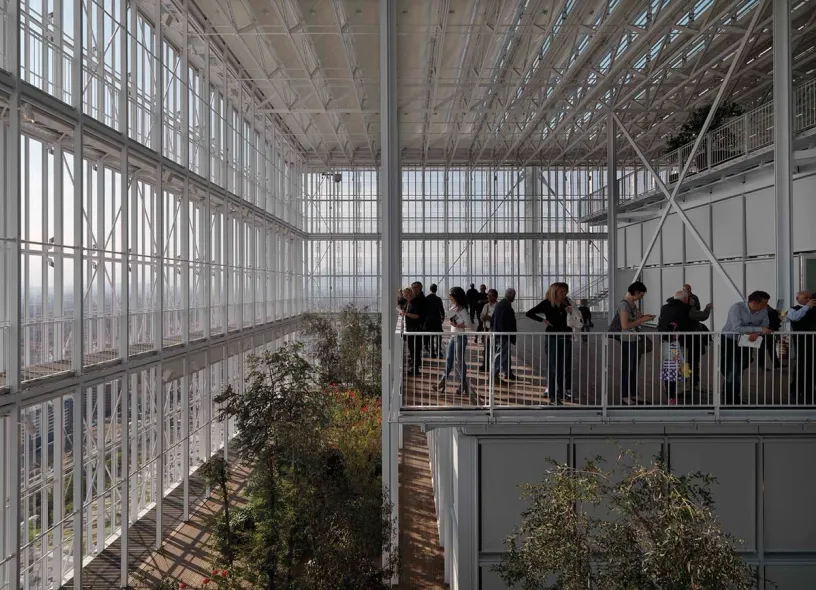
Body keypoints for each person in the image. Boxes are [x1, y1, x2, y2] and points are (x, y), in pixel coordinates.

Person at [720, 291, 771, 404]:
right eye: (763, 304)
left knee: (741, 367)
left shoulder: (763, 310)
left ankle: (733, 393)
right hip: (730, 340)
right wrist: (757, 330)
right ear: (753, 302)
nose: (765, 306)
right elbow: (737, 328)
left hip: (747, 340)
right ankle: (730, 398)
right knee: (733, 368)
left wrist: (756, 333)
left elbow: (765, 326)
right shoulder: (736, 308)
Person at [608, 281, 654, 405]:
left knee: (634, 368)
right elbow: (625, 325)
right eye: (641, 294)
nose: (642, 297)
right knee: (628, 368)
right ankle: (625, 395)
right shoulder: (624, 305)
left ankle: (633, 393)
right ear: (636, 292)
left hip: (633, 339)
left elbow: (632, 320)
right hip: (627, 339)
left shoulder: (631, 304)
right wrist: (643, 320)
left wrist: (642, 317)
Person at [527, 283, 574, 404]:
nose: (564, 294)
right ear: (555, 292)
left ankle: (561, 392)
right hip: (553, 337)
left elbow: (573, 317)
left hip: (566, 337)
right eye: (562, 292)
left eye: (565, 292)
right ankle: (553, 395)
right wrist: (543, 320)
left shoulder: (567, 302)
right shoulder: (547, 303)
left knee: (563, 366)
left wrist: (570, 311)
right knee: (553, 366)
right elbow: (530, 313)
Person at [437, 286, 475, 400]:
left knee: (459, 360)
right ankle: (443, 381)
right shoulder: (453, 307)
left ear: (456, 297)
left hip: (460, 337)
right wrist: (451, 321)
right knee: (449, 359)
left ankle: (462, 384)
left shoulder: (462, 309)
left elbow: (468, 324)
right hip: (454, 336)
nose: (449, 297)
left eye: (451, 296)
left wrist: (457, 325)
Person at [787, 291, 816, 402]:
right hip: (801, 342)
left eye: (810, 297)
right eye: (806, 297)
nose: (809, 299)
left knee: (813, 366)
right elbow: (794, 318)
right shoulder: (793, 309)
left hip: (813, 342)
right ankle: (797, 390)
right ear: (798, 298)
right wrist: (807, 307)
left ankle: (810, 390)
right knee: (802, 366)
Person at [492, 288, 518, 381]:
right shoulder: (505, 305)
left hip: (502, 334)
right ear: (510, 295)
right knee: (501, 354)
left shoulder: (501, 304)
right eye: (514, 295)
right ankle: (495, 374)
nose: (514, 297)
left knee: (505, 354)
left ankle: (508, 373)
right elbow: (504, 321)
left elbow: (494, 319)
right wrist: (506, 334)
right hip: (504, 334)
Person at [398, 287, 423, 376]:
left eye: (405, 295)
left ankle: (415, 369)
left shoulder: (415, 302)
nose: (404, 297)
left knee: (414, 349)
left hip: (414, 330)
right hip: (411, 330)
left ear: (409, 294)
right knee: (413, 349)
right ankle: (415, 367)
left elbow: (417, 316)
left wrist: (406, 314)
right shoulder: (410, 302)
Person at [478, 289, 499, 371]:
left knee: (493, 348)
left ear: (495, 297)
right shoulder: (486, 306)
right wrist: (484, 317)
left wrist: (489, 318)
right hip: (486, 329)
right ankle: (485, 364)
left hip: (494, 330)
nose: (488, 297)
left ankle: (493, 365)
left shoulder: (498, 306)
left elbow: (498, 319)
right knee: (486, 348)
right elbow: (482, 316)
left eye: (490, 296)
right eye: (488, 295)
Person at [424, 283, 446, 358]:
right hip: (437, 320)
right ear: (436, 290)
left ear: (430, 289)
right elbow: (442, 310)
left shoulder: (426, 299)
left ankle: (432, 353)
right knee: (439, 336)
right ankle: (438, 352)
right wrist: (442, 318)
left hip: (429, 320)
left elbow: (424, 311)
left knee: (431, 337)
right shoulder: (438, 299)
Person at [757, 306, 782, 370]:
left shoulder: (766, 309)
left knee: (770, 348)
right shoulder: (766, 310)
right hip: (763, 331)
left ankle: (775, 364)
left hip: (768, 331)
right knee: (763, 349)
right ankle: (762, 365)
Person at [411, 281, 428, 355]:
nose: (413, 289)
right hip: (418, 324)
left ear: (420, 288)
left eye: (415, 287)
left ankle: (416, 363)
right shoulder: (417, 297)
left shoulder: (419, 298)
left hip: (419, 324)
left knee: (417, 344)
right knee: (417, 343)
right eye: (412, 288)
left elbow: (418, 312)